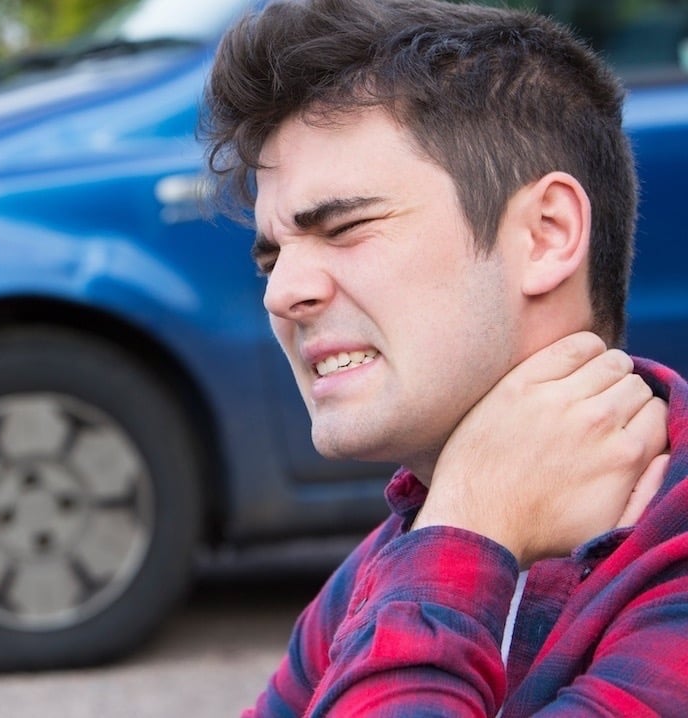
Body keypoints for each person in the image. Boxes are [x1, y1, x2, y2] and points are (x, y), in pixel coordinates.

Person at [202, 0, 688, 714]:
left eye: (344, 226)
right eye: (272, 256)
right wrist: (463, 520)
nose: (282, 293)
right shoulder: (394, 551)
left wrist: (470, 523)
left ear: (547, 234)